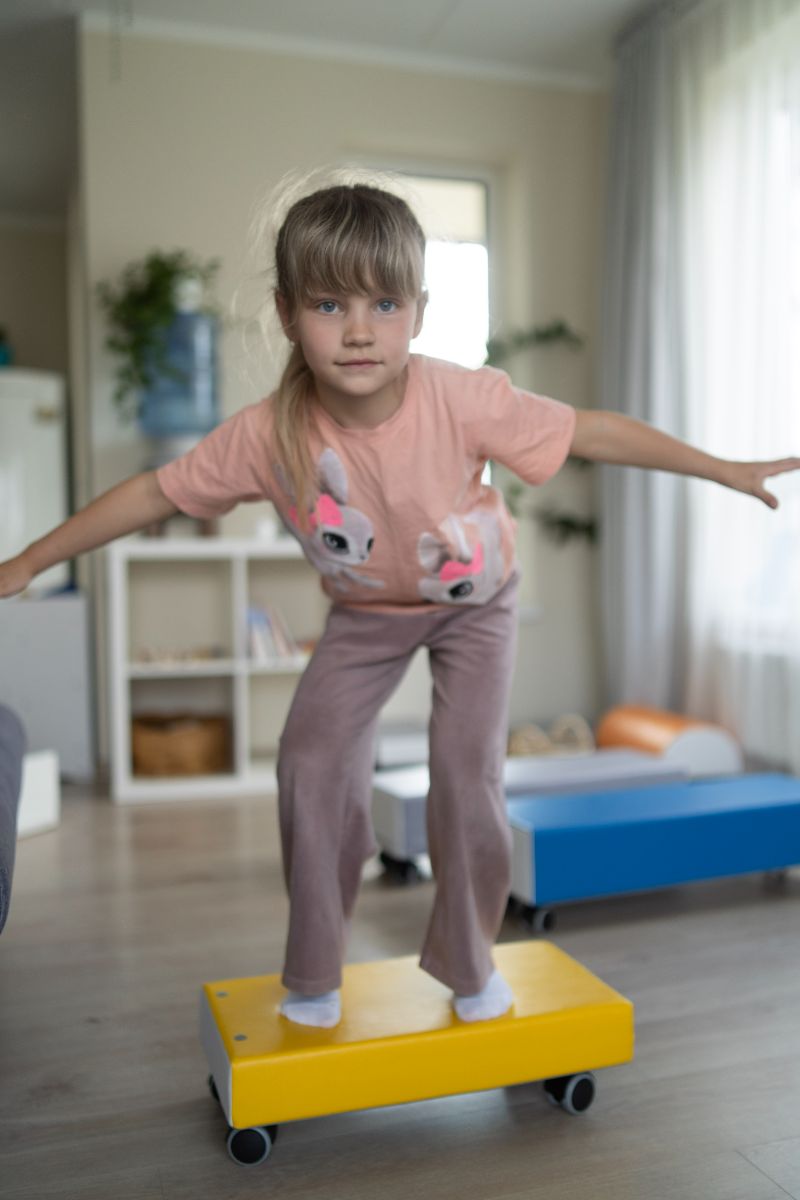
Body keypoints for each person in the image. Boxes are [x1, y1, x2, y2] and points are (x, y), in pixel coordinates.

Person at [1, 177, 798, 1030]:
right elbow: (153, 494)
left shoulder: (463, 398)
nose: (357, 329)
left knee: (464, 776)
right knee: (308, 765)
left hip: (476, 605)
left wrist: (725, 467)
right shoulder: (268, 435)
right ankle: (313, 968)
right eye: (328, 303)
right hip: (366, 616)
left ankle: (468, 961)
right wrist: (26, 562)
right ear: (284, 312)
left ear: (418, 311)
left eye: (384, 303)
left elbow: (592, 430)